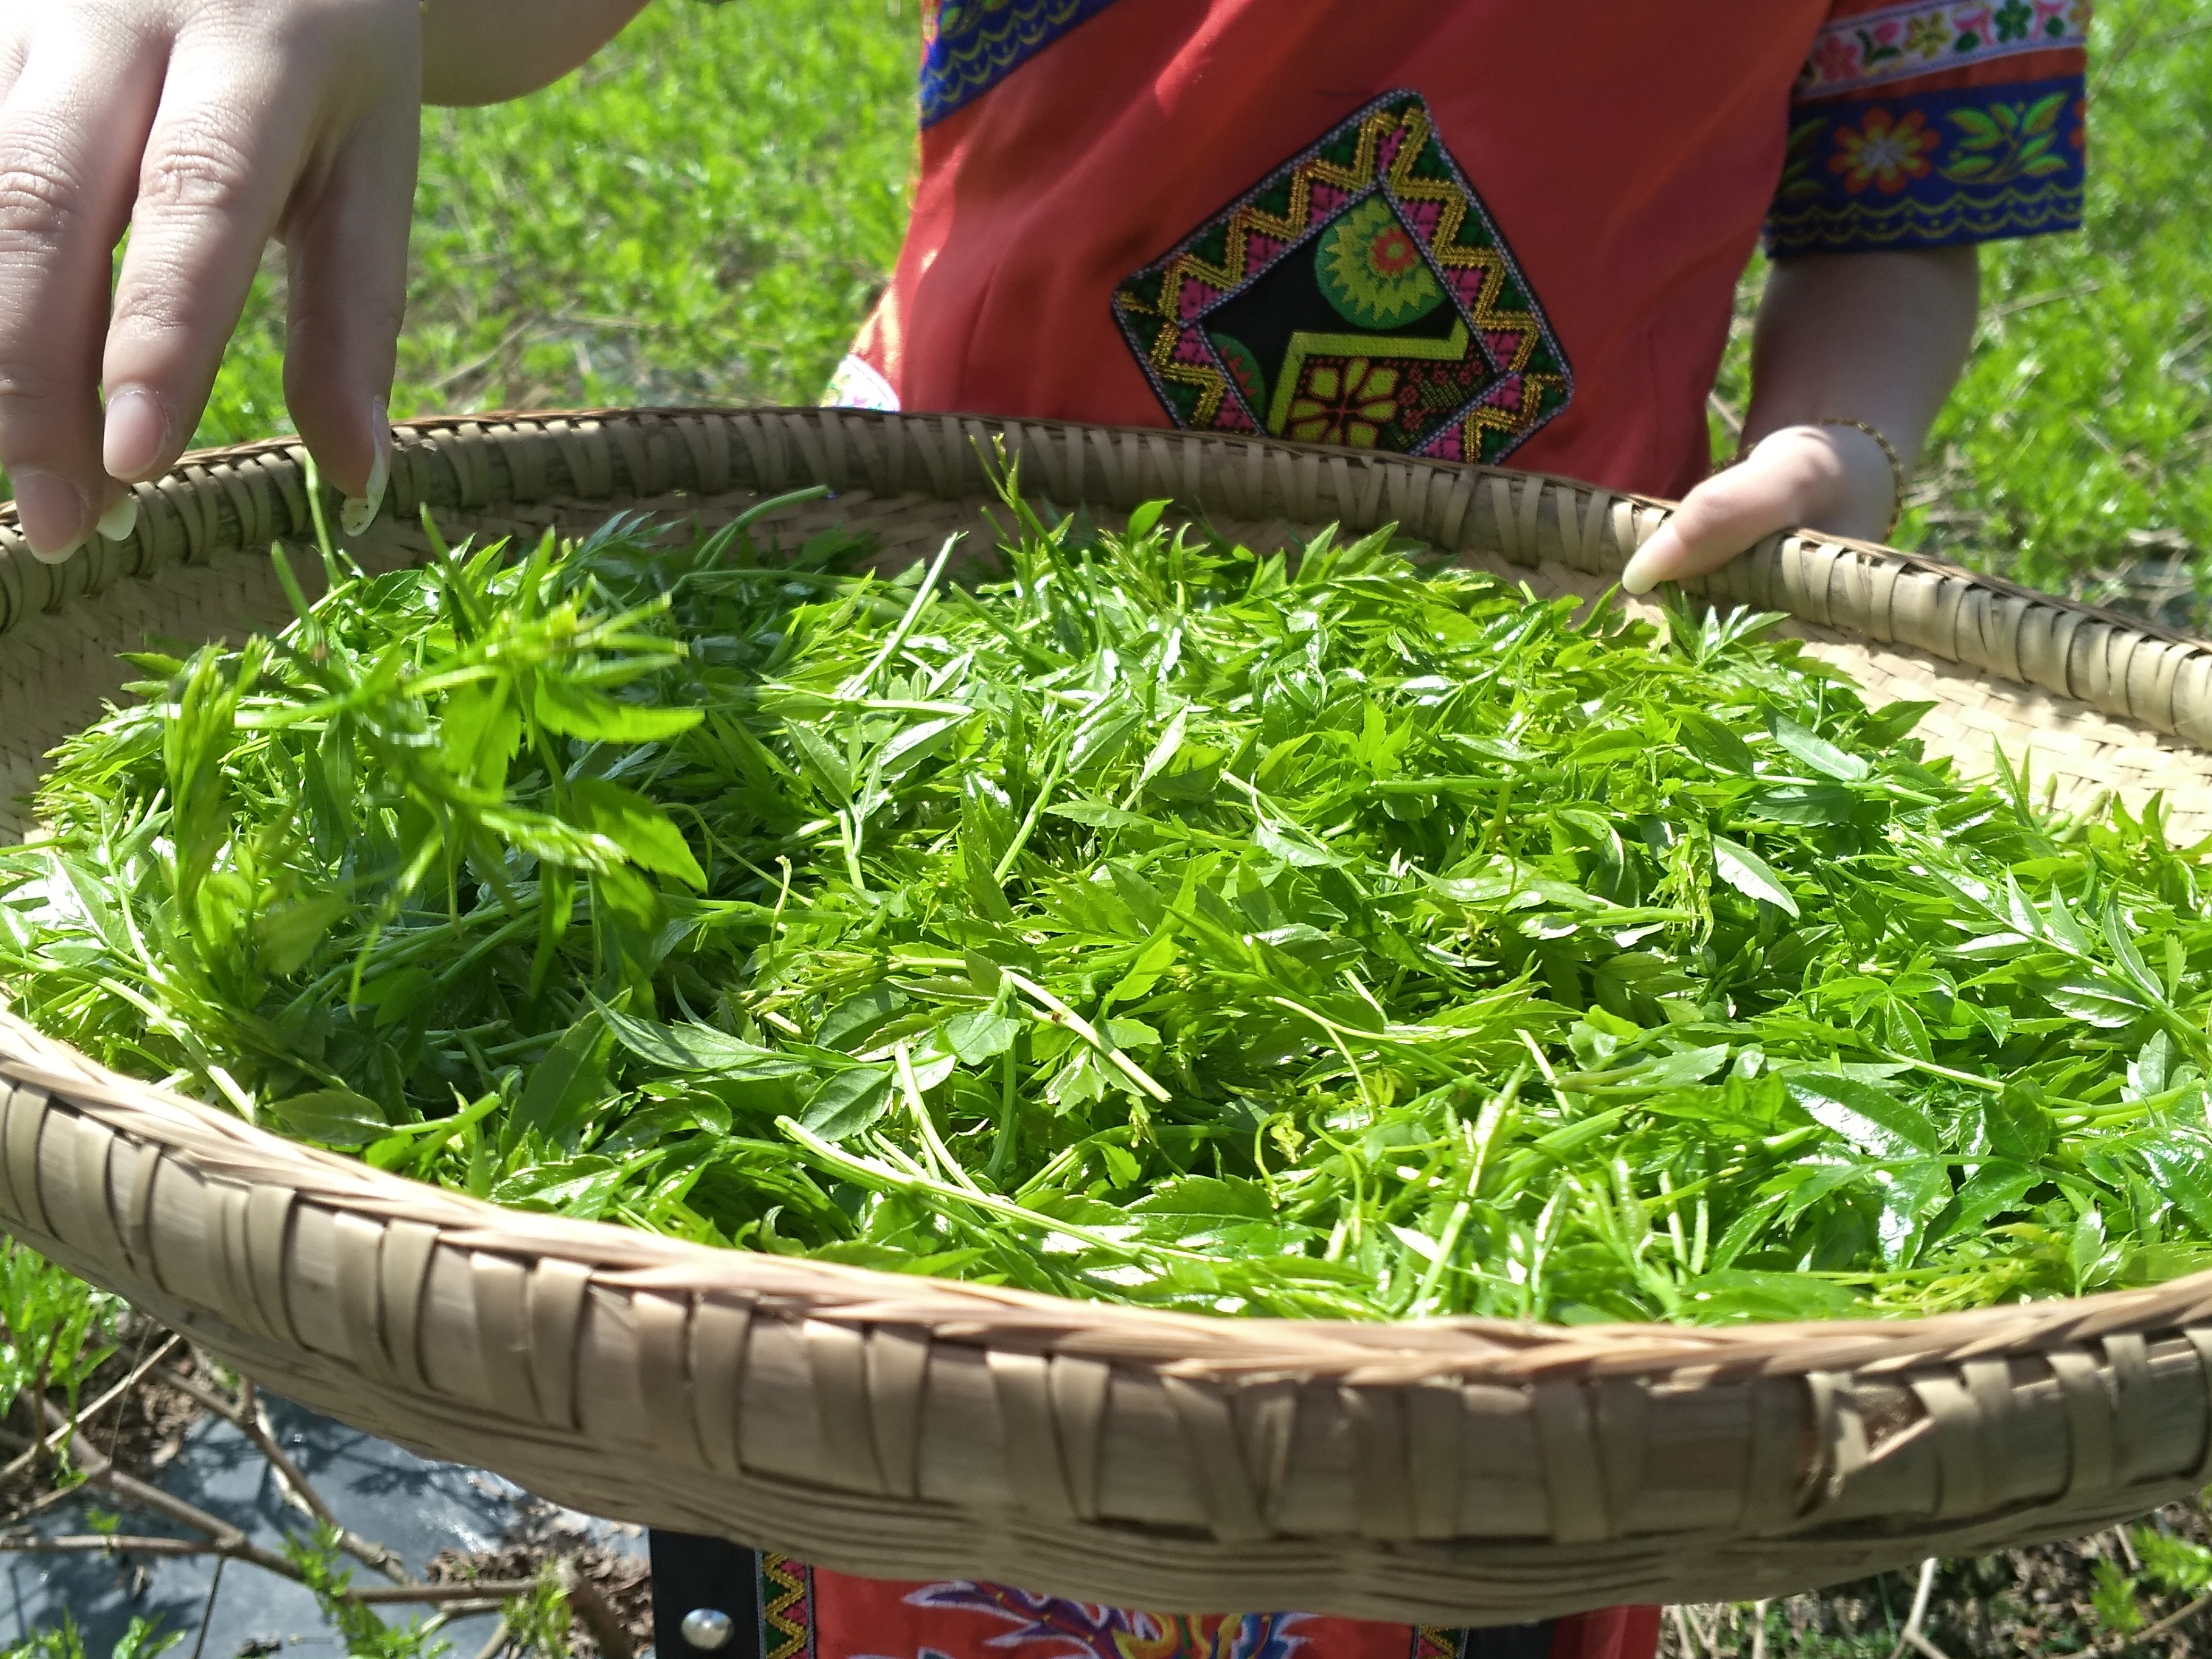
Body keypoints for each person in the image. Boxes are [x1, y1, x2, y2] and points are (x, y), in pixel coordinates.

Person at [0, 3, 2087, 1656]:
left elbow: (1888, 206)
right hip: (934, 638)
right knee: (892, 1363)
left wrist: (1847, 446)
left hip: (1520, 680)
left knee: (1463, 1363)